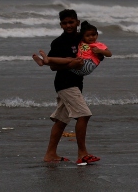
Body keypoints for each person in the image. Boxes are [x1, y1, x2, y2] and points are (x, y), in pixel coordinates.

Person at [30, 10, 111, 166]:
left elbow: (94, 53)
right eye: (65, 23)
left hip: (76, 82)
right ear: (61, 24)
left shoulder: (82, 38)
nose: (68, 25)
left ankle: (50, 154)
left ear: (77, 22)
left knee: (61, 120)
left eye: (71, 22)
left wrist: (99, 54)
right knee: (84, 114)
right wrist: (71, 63)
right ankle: (82, 153)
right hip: (65, 83)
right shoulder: (58, 42)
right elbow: (53, 68)